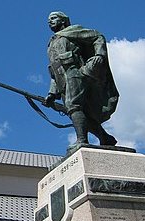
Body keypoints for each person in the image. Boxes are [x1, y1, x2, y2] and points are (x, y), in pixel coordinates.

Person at [43, 11, 119, 152]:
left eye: (53, 18)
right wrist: (52, 93)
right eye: (48, 20)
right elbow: (55, 69)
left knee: (74, 106)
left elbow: (97, 36)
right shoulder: (51, 43)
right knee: (82, 111)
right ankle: (105, 138)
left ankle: (82, 141)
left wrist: (99, 55)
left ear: (63, 21)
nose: (50, 21)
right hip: (62, 80)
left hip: (75, 73)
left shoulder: (73, 31)